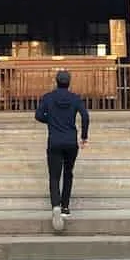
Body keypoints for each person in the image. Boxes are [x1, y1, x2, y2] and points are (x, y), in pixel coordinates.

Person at [34, 69, 89, 233]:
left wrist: (50, 120)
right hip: (71, 141)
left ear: (56, 81)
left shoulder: (48, 97)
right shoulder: (75, 98)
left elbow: (38, 115)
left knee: (54, 175)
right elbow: (85, 116)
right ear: (69, 82)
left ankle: (55, 205)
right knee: (68, 173)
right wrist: (84, 136)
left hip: (54, 141)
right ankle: (65, 207)